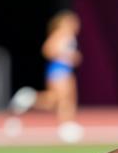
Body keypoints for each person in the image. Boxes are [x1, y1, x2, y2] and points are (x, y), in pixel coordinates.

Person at [9, 10, 83, 143]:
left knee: (63, 99)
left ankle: (66, 123)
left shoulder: (70, 36)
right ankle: (64, 125)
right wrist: (66, 56)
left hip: (66, 69)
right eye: (71, 22)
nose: (76, 24)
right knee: (60, 99)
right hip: (58, 70)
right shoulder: (60, 34)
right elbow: (48, 50)